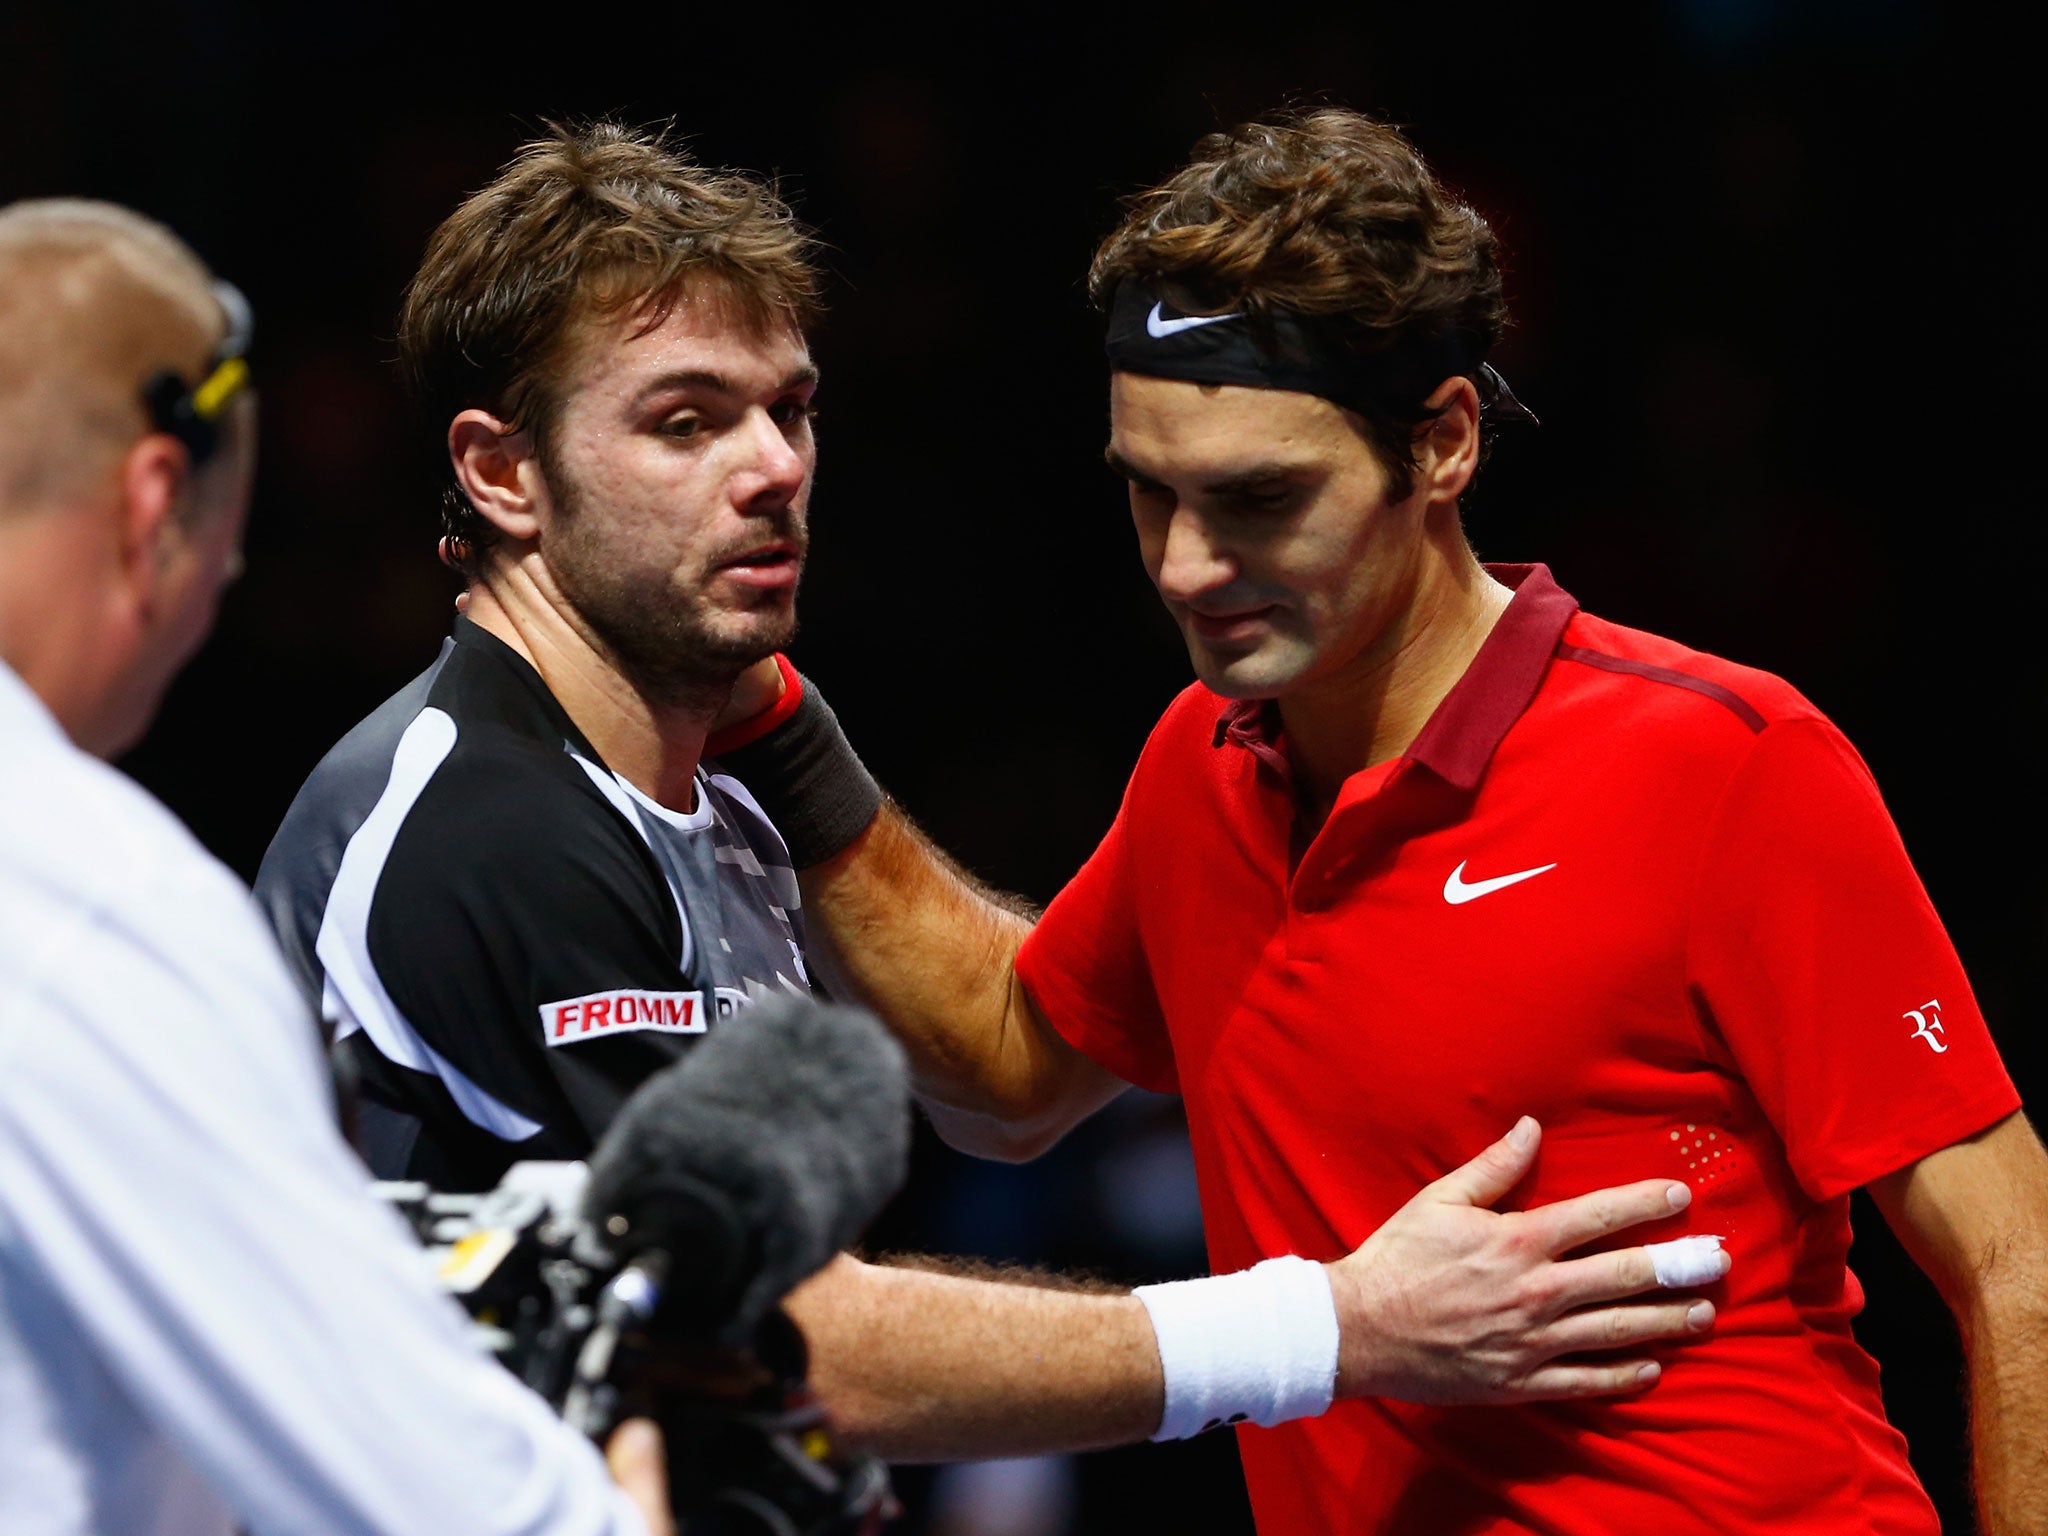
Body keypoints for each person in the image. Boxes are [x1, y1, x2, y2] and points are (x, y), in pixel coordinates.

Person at [255, 122, 1728, 1466]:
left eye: (792, 409)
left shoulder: (718, 794)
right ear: (502, 475)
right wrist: (1329, 1329)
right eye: (687, 421)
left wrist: (796, 751)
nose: (774, 468)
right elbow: (783, 1330)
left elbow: (999, 1085)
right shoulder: (486, 829)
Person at [718, 109, 2048, 1532]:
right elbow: (1004, 1068)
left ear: (1444, 446)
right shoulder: (1199, 764)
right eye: (1148, 493)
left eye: (1259, 500)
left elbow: (2011, 1250)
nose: (1184, 566)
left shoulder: (1729, 759)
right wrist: (762, 716)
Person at [0, 198, 672, 1536]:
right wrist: (622, 1502)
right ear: (153, 507)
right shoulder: (86, 900)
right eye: (224, 535)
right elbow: (448, 1505)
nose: (227, 575)